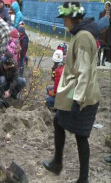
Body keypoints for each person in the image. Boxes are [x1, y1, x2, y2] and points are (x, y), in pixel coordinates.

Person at [43, 3, 100, 183]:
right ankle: (60, 164)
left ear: (74, 19)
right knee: (60, 122)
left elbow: (84, 72)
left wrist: (76, 101)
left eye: (66, 20)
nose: (64, 23)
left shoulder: (83, 37)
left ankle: (73, 172)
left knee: (79, 135)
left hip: (83, 97)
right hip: (80, 93)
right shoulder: (80, 34)